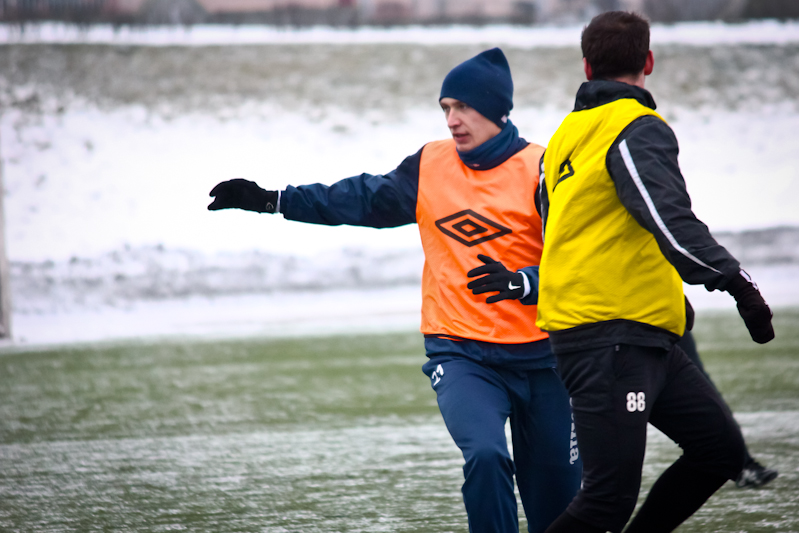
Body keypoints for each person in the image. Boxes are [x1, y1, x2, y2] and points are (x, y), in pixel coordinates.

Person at [207, 48, 582, 533]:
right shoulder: (430, 165)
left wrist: (522, 282)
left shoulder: (543, 169)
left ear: (496, 109)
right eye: (445, 107)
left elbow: (577, 263)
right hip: (463, 354)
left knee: (558, 506)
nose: (452, 119)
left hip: (547, 359)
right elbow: (359, 199)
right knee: (486, 455)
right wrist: (273, 200)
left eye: (463, 107)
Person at [526, 11, 775, 533]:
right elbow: (669, 220)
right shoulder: (635, 128)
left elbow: (569, 233)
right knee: (606, 501)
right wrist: (739, 285)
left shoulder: (564, 136)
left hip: (640, 333)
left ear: (587, 66)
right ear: (649, 61)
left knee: (720, 452)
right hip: (607, 336)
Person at [678, 330, 779, 488]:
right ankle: (743, 465)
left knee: (704, 388)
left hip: (669, 325)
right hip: (641, 330)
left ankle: (744, 464)